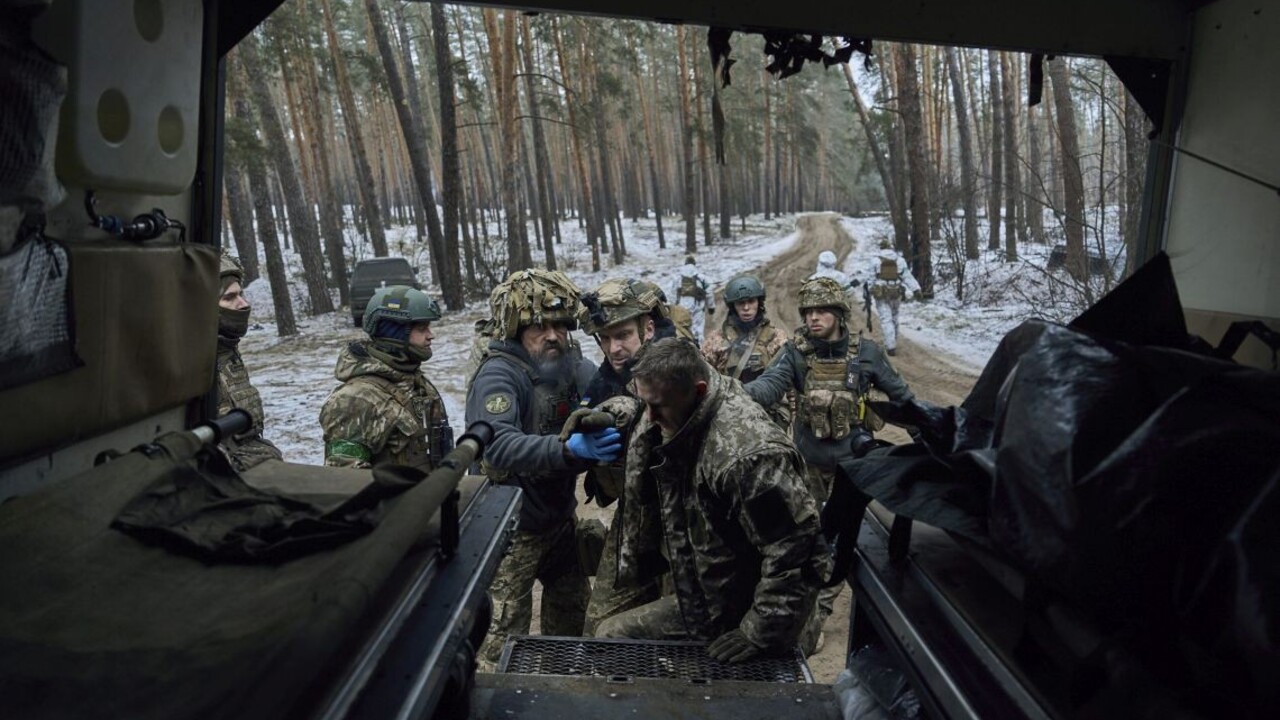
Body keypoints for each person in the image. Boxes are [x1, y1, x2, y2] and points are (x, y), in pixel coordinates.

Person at [595, 338, 832, 663]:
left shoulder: (748, 457)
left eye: (659, 407)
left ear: (700, 390)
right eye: (645, 403)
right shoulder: (683, 401)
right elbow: (647, 407)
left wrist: (758, 632)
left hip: (742, 610)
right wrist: (611, 415)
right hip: (705, 588)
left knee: (613, 638)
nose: (649, 417)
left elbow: (798, 554)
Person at [743, 276, 913, 654]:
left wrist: (930, 438)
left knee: (838, 541)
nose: (814, 318)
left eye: (822, 311)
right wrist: (731, 392)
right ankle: (798, 607)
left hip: (853, 470)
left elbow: (903, 399)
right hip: (808, 463)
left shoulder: (866, 353)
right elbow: (769, 387)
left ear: (838, 313)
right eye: (808, 312)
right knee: (803, 535)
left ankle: (816, 615)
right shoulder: (797, 353)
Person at [465, 269, 622, 670]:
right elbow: (496, 445)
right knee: (498, 638)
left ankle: (561, 689)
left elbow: (607, 388)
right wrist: (567, 450)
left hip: (557, 520)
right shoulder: (500, 373)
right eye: (539, 325)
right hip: (509, 528)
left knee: (571, 621)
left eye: (559, 325)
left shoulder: (568, 363)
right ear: (517, 327)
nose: (552, 335)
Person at [575, 278, 667, 635]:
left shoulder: (680, 372)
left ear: (648, 329)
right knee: (599, 628)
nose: (614, 348)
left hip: (689, 525)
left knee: (689, 636)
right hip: (633, 521)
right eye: (605, 338)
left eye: (623, 335)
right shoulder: (602, 382)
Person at [319, 285, 451, 471]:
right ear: (395, 333)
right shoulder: (355, 399)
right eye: (422, 329)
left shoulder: (415, 382)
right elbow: (346, 481)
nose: (431, 336)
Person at [214, 253, 283, 471]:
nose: (243, 304)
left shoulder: (226, 351)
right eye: (229, 297)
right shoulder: (190, 361)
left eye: (241, 294)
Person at [700, 274, 792, 428]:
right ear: (732, 306)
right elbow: (703, 380)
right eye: (740, 303)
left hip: (767, 417)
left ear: (759, 302)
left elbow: (789, 384)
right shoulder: (715, 340)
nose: (746, 308)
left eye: (751, 301)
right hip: (728, 417)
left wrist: (792, 417)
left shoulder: (776, 338)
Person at [864, 239, 922, 356]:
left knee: (886, 319)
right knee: (894, 317)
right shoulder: (899, 260)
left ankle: (890, 346)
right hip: (896, 292)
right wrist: (916, 289)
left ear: (881, 247)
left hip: (881, 293)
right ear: (891, 247)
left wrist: (869, 292)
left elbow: (870, 278)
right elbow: (907, 276)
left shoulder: (875, 260)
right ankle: (893, 340)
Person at [671, 254, 714, 343]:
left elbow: (673, 294)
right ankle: (699, 349)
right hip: (698, 307)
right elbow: (709, 292)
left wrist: (673, 308)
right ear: (694, 264)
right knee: (698, 330)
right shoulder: (701, 277)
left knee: (683, 329)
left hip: (682, 308)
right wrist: (711, 307)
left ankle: (685, 346)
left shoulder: (678, 278)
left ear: (685, 264)